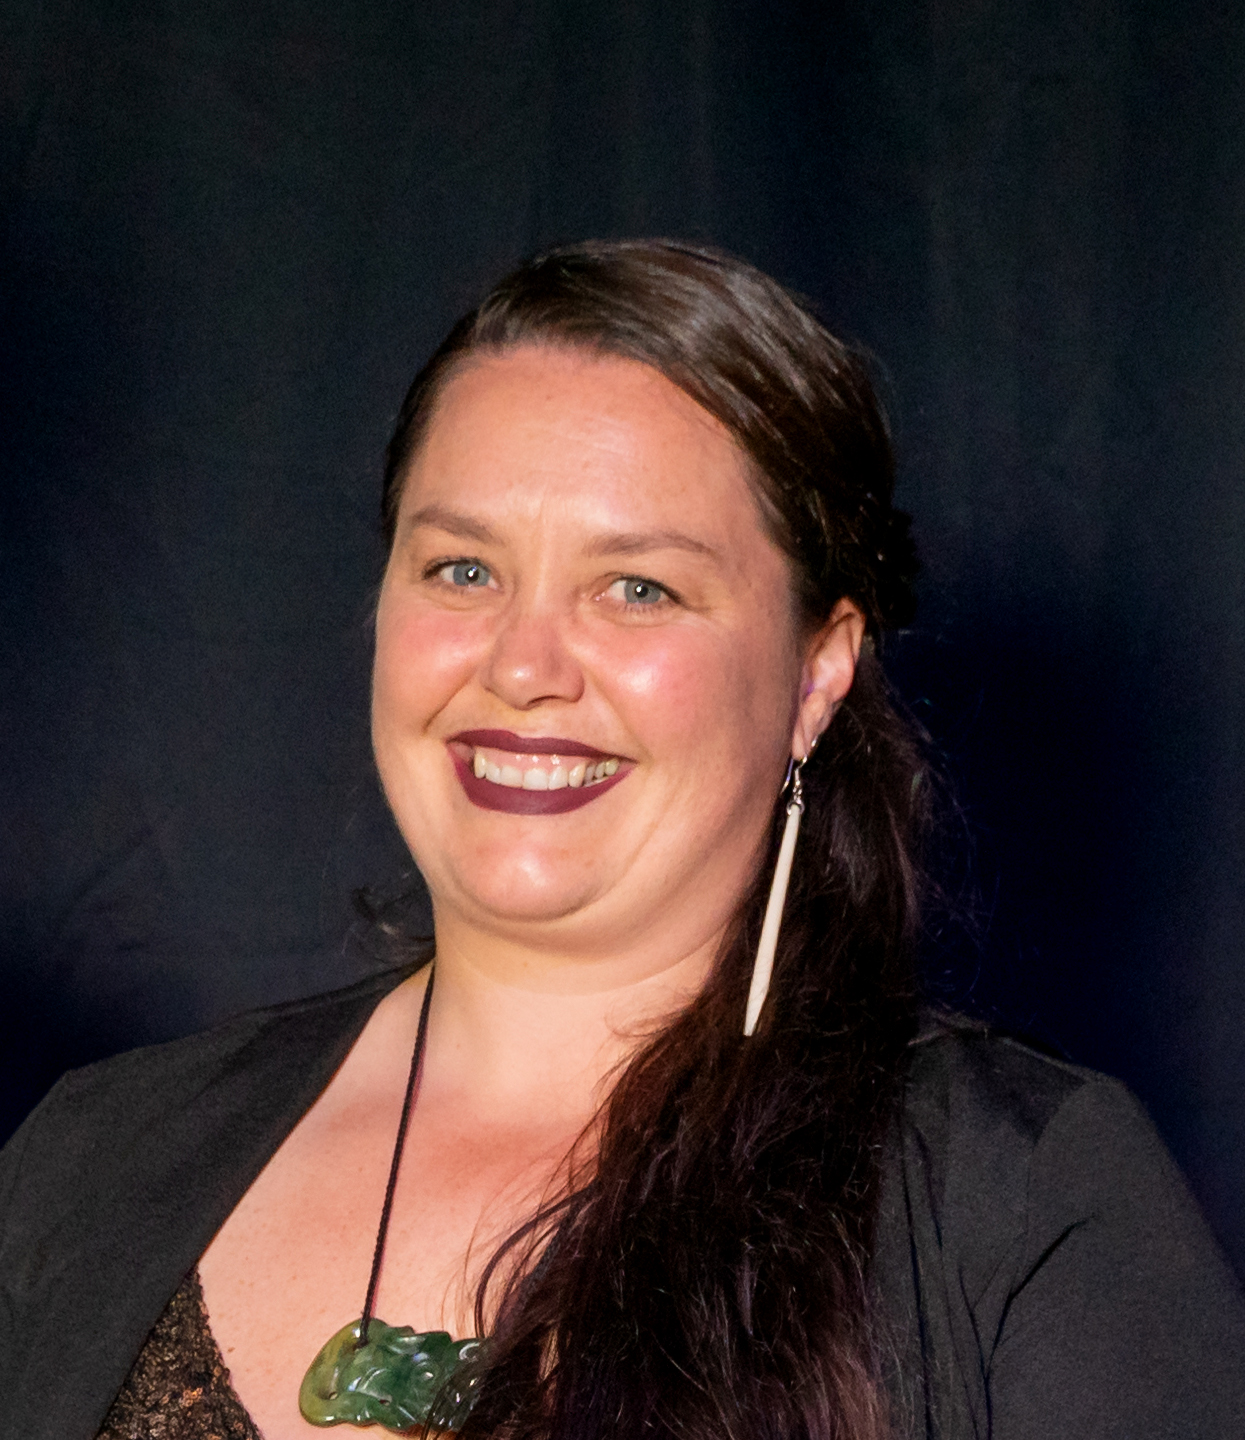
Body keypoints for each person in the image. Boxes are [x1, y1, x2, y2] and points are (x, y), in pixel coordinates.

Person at [1, 240, 1242, 1440]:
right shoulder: (94, 1154)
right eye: (463, 569)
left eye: (638, 588)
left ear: (818, 672)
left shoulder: (1024, 1197)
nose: (523, 666)